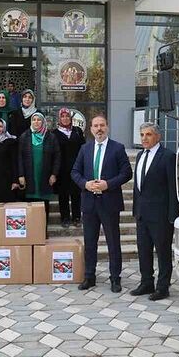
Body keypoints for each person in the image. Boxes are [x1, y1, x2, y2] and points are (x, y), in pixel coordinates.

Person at [71, 115, 132, 293]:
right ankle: (90, 277)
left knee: (113, 242)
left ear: (107, 127)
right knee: (90, 242)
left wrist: (108, 184)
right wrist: (85, 184)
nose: (99, 129)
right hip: (89, 203)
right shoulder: (85, 148)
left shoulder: (118, 148)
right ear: (90, 129)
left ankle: (115, 278)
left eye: (102, 125)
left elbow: (127, 173)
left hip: (109, 202)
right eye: (96, 126)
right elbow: (75, 171)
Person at [130, 122, 179, 302]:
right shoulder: (141, 155)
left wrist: (172, 215)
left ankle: (163, 287)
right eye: (142, 135)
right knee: (143, 250)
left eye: (148, 135)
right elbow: (138, 187)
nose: (144, 138)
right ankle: (146, 282)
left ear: (157, 136)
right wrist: (136, 210)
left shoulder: (167, 156)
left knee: (163, 252)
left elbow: (173, 188)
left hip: (161, 215)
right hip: (142, 214)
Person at [18, 113, 60, 237]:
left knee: (43, 207)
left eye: (39, 120)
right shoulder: (25, 136)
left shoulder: (50, 137)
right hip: (30, 176)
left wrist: (54, 174)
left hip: (45, 176)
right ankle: (31, 233)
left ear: (43, 122)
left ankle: (42, 232)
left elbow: (57, 156)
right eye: (34, 120)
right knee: (31, 206)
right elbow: (19, 157)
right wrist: (21, 175)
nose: (36, 122)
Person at [53, 108, 84, 228]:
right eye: (63, 116)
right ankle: (65, 218)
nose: (65, 119)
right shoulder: (54, 133)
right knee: (63, 195)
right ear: (59, 118)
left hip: (76, 168)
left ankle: (77, 217)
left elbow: (83, 149)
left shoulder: (77, 131)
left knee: (76, 194)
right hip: (61, 170)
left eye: (67, 116)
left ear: (71, 118)